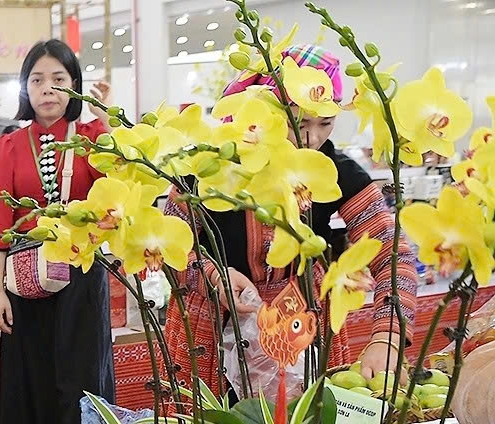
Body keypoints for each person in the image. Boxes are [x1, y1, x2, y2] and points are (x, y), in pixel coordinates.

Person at [164, 44, 418, 397]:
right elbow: (170, 247)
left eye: (325, 123)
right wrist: (212, 277)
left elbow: (392, 252)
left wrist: (388, 334)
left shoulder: (334, 171)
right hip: (211, 329)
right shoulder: (207, 165)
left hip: (304, 325)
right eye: (297, 123)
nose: (310, 140)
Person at [0, 39, 115, 424]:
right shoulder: (7, 147)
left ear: (74, 85)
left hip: (82, 275)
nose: (48, 89)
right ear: (25, 88)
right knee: (31, 379)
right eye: (37, 80)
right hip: (26, 279)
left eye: (59, 80)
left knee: (81, 379)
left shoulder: (95, 137)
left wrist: (106, 117)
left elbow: (125, 181)